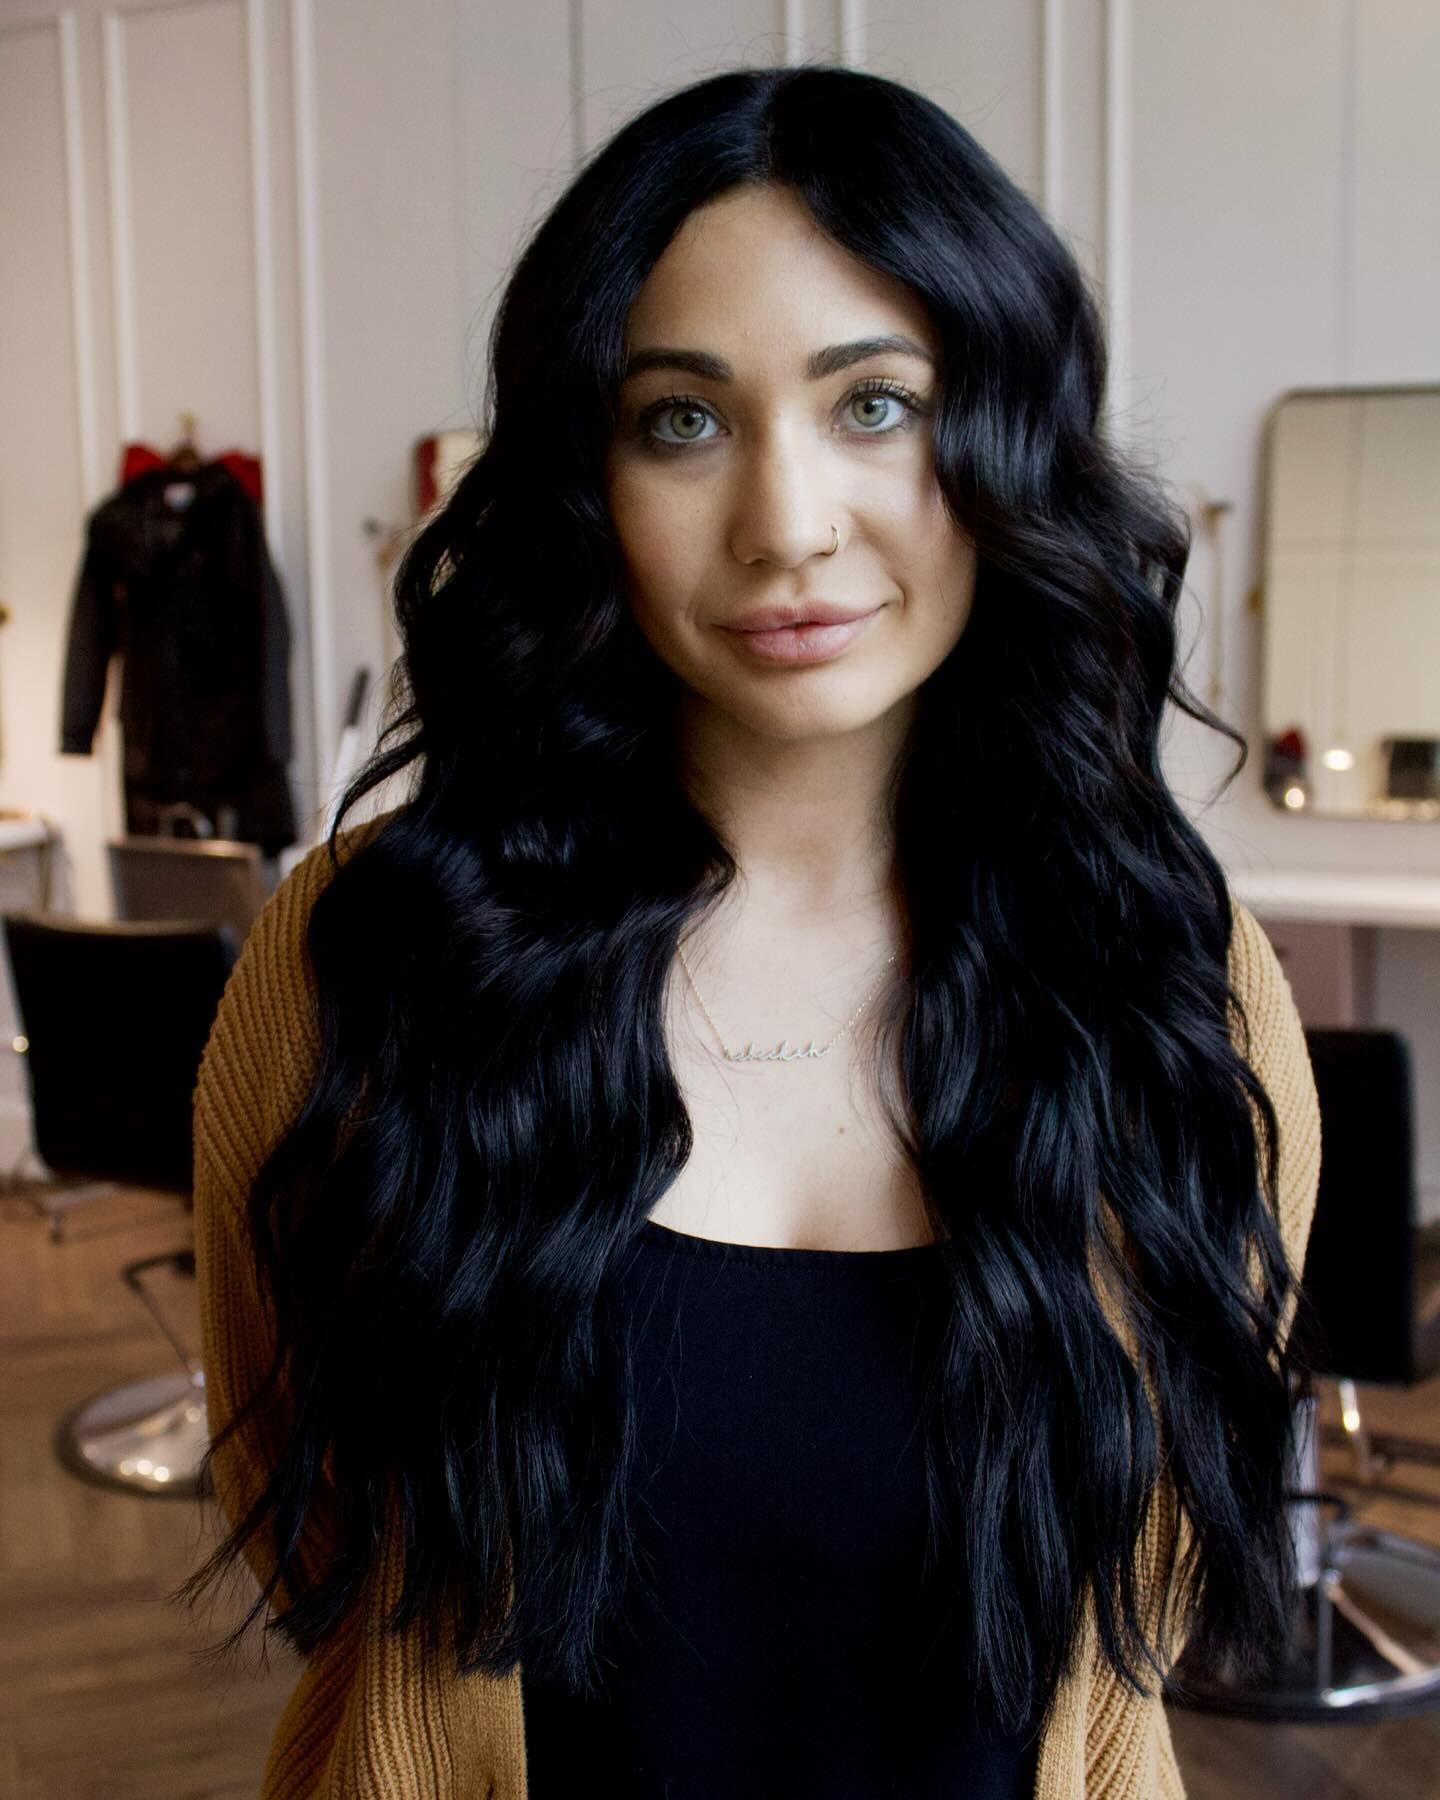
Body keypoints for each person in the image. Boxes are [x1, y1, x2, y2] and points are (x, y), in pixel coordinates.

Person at [181, 62, 1322, 1799]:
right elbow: (322, 1538)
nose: (789, 523)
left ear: (1002, 435)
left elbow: (1138, 1596)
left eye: (877, 404)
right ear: (589, 479)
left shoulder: (1173, 973)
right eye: (684, 420)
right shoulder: (369, 960)